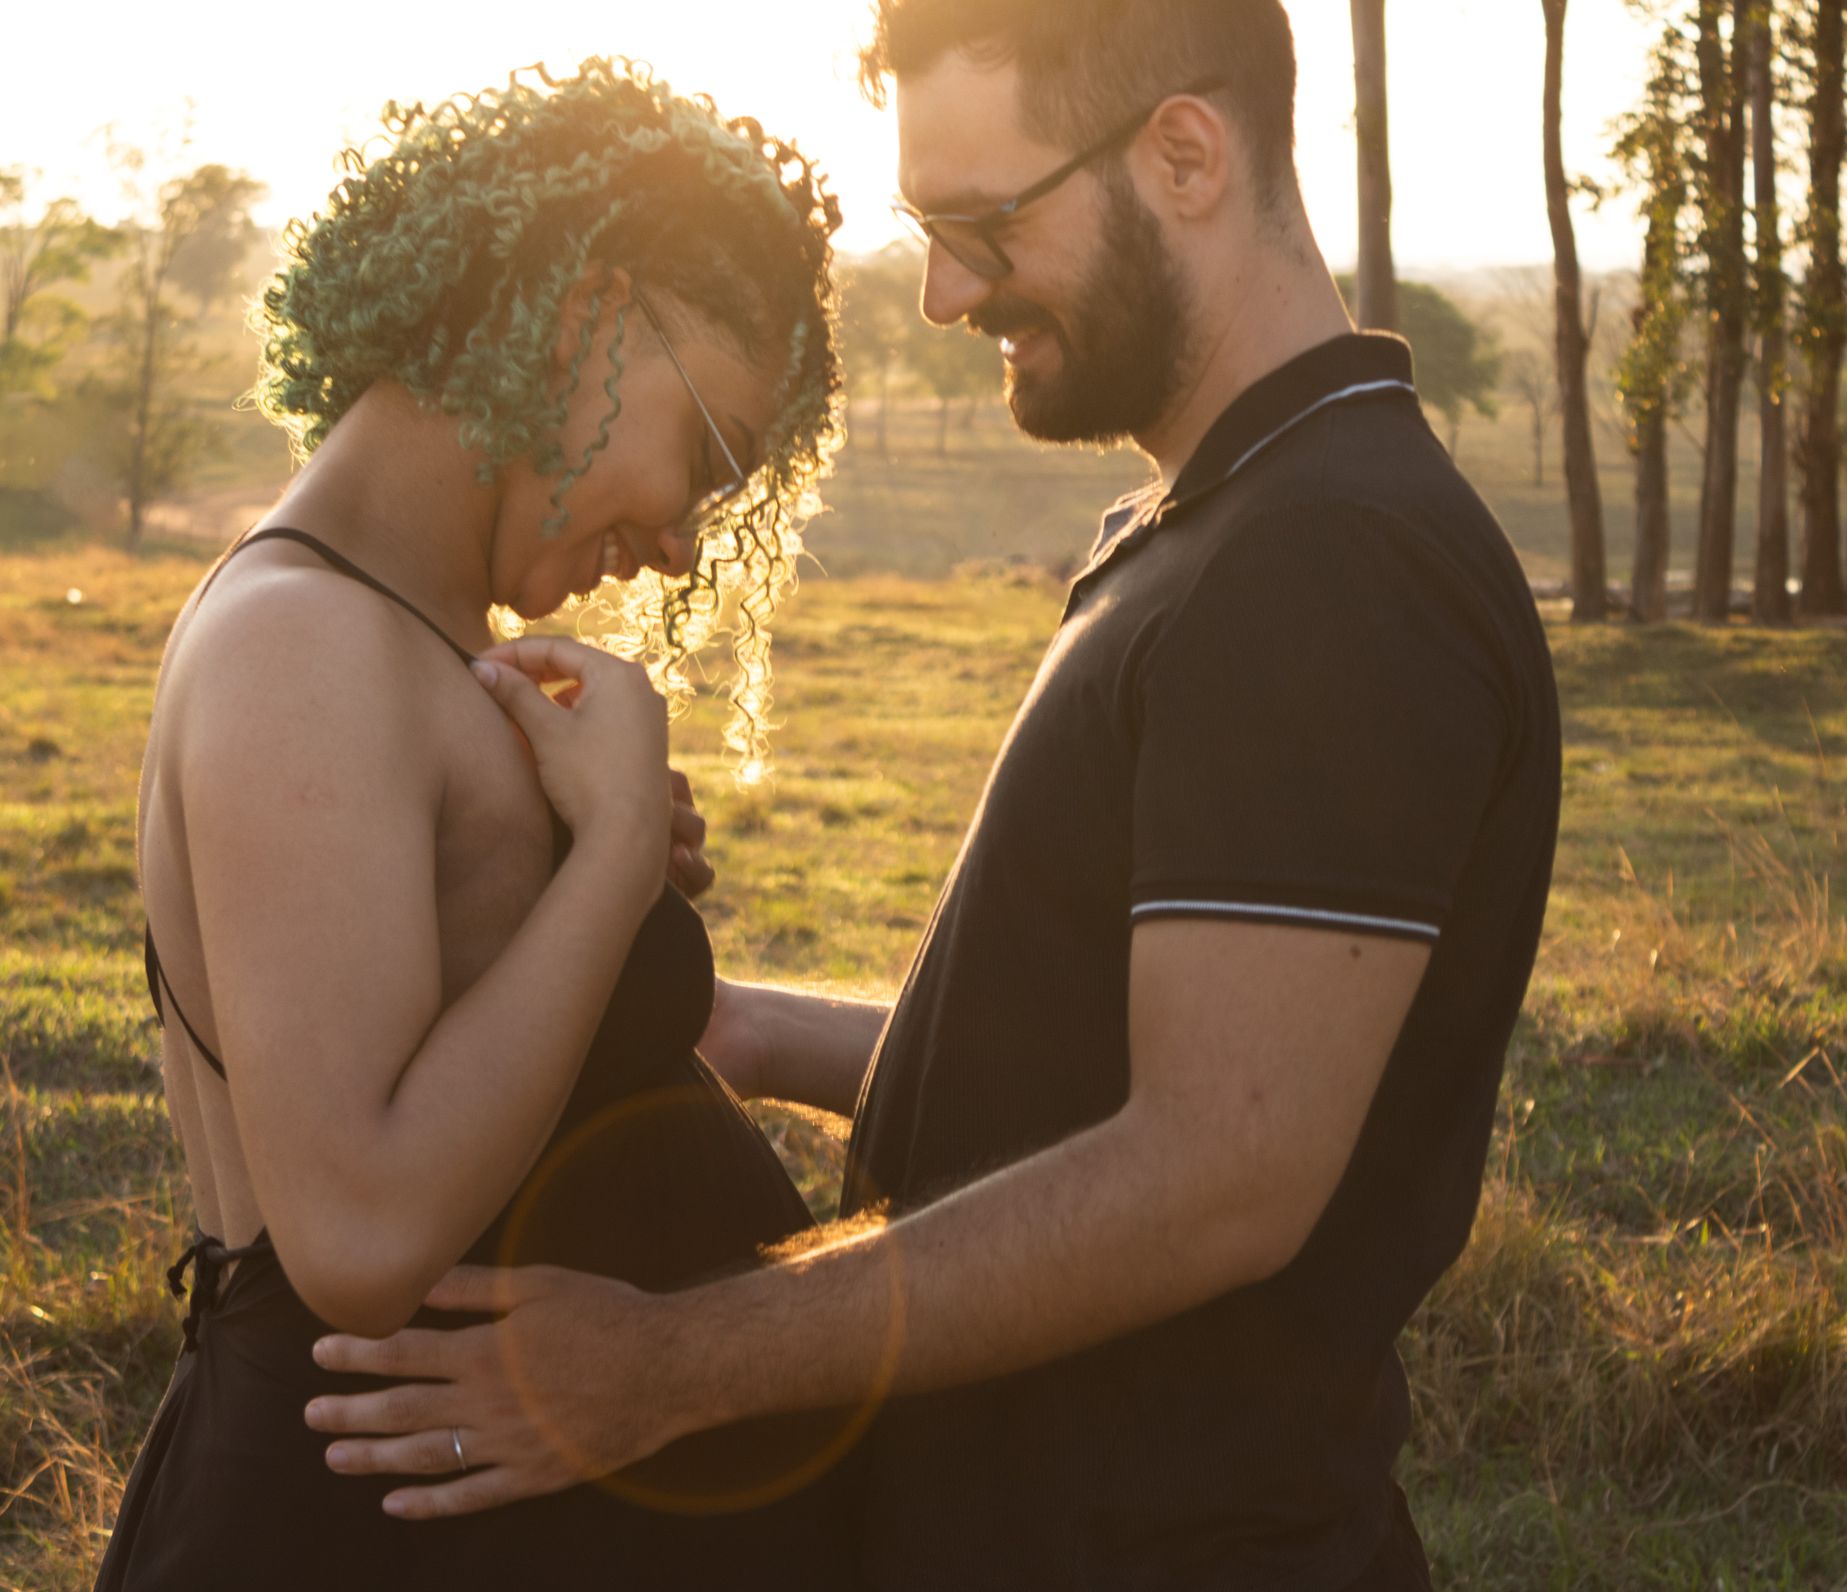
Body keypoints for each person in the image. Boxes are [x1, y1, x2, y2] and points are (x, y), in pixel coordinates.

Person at [306, 4, 1564, 1588]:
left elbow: (1217, 1172)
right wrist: (770, 1037)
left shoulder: (1333, 560)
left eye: (982, 224)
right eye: (926, 230)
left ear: (1184, 152)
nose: (945, 291)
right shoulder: (1205, 530)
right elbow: (1118, 1065)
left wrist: (668, 1364)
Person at [95, 58, 861, 1592]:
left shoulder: (421, 643)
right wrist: (611, 871)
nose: (682, 537)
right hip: (351, 1530)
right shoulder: (305, 641)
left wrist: (579, 853)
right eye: (708, 454)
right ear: (588, 307)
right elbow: (363, 1236)